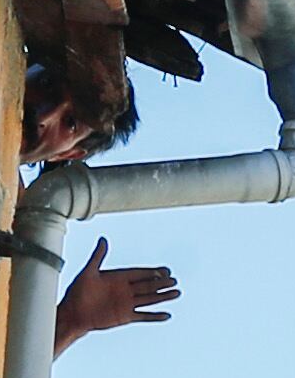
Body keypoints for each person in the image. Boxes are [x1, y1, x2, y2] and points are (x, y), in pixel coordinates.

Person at [17, 64, 179, 356]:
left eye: (70, 122)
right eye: (47, 84)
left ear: (69, 153)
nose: (44, 115)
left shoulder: (15, 224)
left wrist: (71, 321)